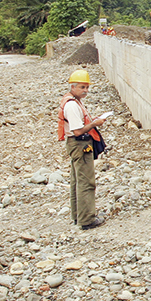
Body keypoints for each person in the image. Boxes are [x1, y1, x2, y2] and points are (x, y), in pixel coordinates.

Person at [57, 69, 107, 230]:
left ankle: (78, 216)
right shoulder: (72, 105)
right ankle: (87, 219)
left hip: (76, 144)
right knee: (86, 181)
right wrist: (94, 124)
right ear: (73, 87)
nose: (85, 91)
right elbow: (78, 131)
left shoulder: (73, 101)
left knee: (77, 180)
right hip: (80, 144)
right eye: (82, 87)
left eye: (87, 87)